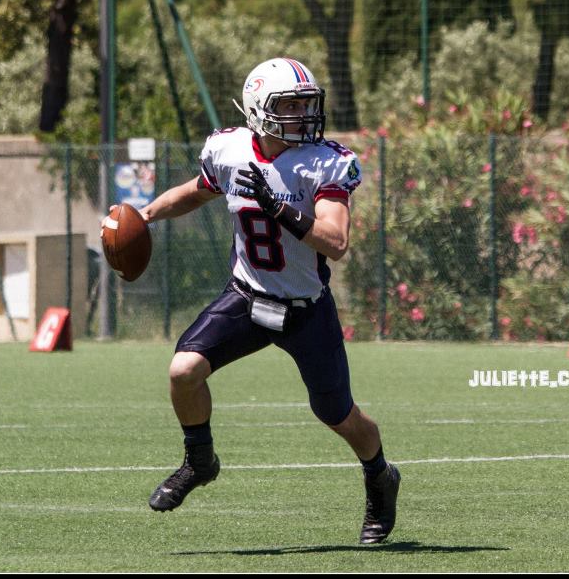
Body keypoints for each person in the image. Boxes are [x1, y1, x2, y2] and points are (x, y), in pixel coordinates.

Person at [113, 57, 400, 544]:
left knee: (338, 414)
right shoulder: (229, 150)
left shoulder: (323, 162)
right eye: (289, 105)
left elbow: (336, 242)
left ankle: (380, 475)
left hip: (305, 308)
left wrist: (280, 208)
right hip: (247, 297)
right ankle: (199, 459)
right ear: (258, 110)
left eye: (306, 105)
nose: (302, 115)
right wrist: (145, 214)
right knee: (183, 371)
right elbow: (195, 191)